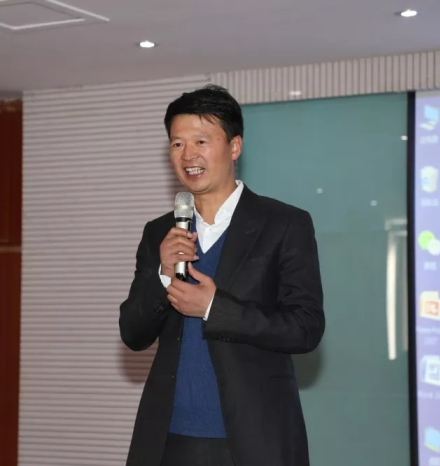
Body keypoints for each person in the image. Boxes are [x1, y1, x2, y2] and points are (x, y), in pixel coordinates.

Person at [119, 84, 325, 466]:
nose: (188, 155)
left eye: (201, 141)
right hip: (168, 440)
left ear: (234, 147)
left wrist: (215, 308)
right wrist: (163, 276)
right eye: (177, 144)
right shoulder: (159, 232)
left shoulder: (284, 224)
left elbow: (305, 328)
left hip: (252, 441)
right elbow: (132, 334)